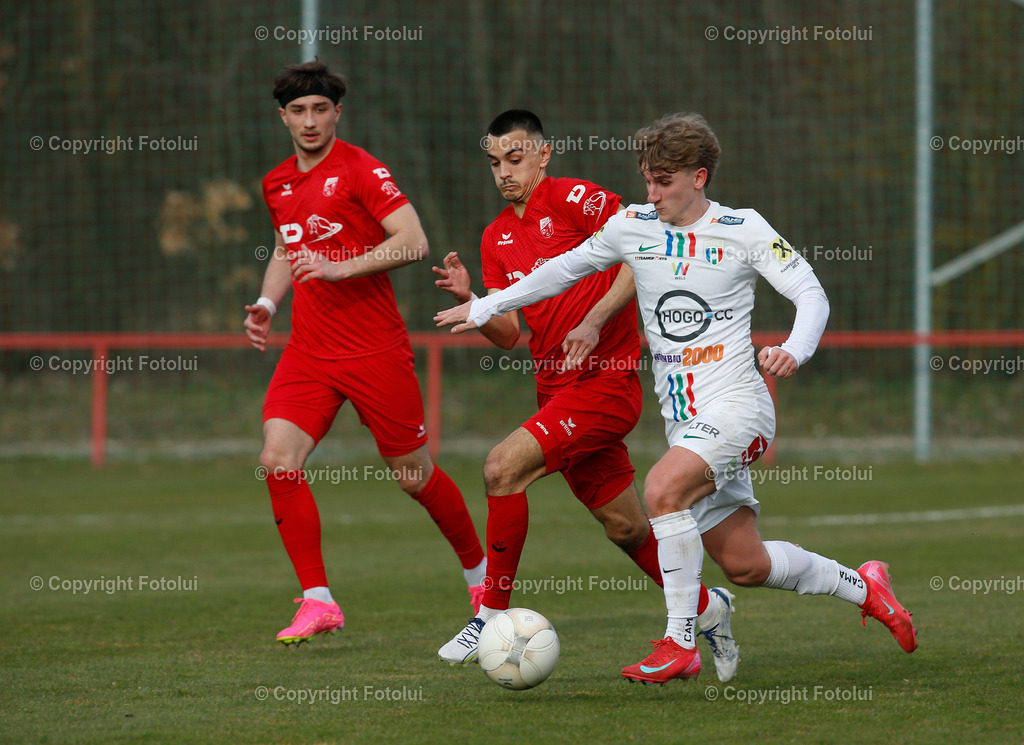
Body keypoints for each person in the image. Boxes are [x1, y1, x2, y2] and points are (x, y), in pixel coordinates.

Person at [436, 112, 918, 685]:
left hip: (739, 404)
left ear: (700, 177)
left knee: (661, 490)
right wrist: (485, 306)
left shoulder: (744, 228)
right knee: (745, 564)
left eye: (664, 181)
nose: (651, 193)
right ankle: (866, 586)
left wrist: (795, 349)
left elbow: (810, 294)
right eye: (647, 179)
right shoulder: (634, 226)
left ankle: (678, 641)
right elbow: (558, 272)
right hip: (685, 421)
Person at [434, 110, 739, 682]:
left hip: (605, 385)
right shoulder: (495, 235)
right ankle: (707, 609)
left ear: (544, 155)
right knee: (625, 527)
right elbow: (510, 335)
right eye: (495, 162)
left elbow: (644, 246)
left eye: (516, 158)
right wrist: (476, 302)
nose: (504, 172)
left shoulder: (574, 198)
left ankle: (489, 612)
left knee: (501, 467)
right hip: (556, 394)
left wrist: (597, 318)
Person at [244, 59, 486, 645]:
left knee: (413, 476)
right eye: (298, 111)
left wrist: (339, 267)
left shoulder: (361, 169)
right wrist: (268, 303)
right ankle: (319, 601)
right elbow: (286, 244)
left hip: (374, 349)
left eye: (320, 109)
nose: (309, 121)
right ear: (283, 117)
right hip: (308, 351)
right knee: (278, 458)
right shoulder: (277, 182)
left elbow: (413, 241)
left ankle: (483, 578)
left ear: (336, 113)